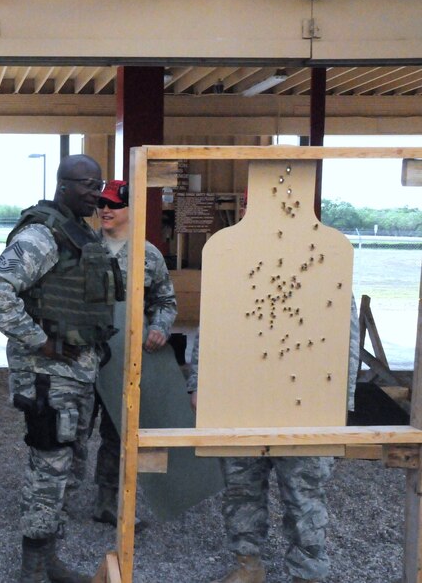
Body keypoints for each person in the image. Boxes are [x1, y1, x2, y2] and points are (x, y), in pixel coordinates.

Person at [0, 154, 121, 583]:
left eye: (98, 183)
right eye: (86, 184)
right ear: (63, 186)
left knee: (68, 466)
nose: (95, 192)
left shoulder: (82, 233)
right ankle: (34, 567)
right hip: (48, 376)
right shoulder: (43, 235)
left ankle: (49, 560)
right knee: (49, 469)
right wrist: (39, 339)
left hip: (78, 372)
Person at [187, 297, 360, 583]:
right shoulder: (237, 262)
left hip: (307, 401)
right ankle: (248, 566)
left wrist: (339, 401)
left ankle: (308, 573)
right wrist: (199, 382)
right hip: (242, 397)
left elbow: (345, 337)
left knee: (304, 494)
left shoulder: (321, 262)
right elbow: (214, 322)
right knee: (241, 489)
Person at [91, 180, 177, 526]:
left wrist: (160, 327)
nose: (106, 210)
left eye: (114, 204)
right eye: (102, 204)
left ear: (131, 210)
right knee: (70, 432)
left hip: (123, 359)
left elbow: (165, 301)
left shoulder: (148, 255)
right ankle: (59, 502)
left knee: (116, 430)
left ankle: (106, 502)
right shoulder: (80, 248)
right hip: (79, 357)